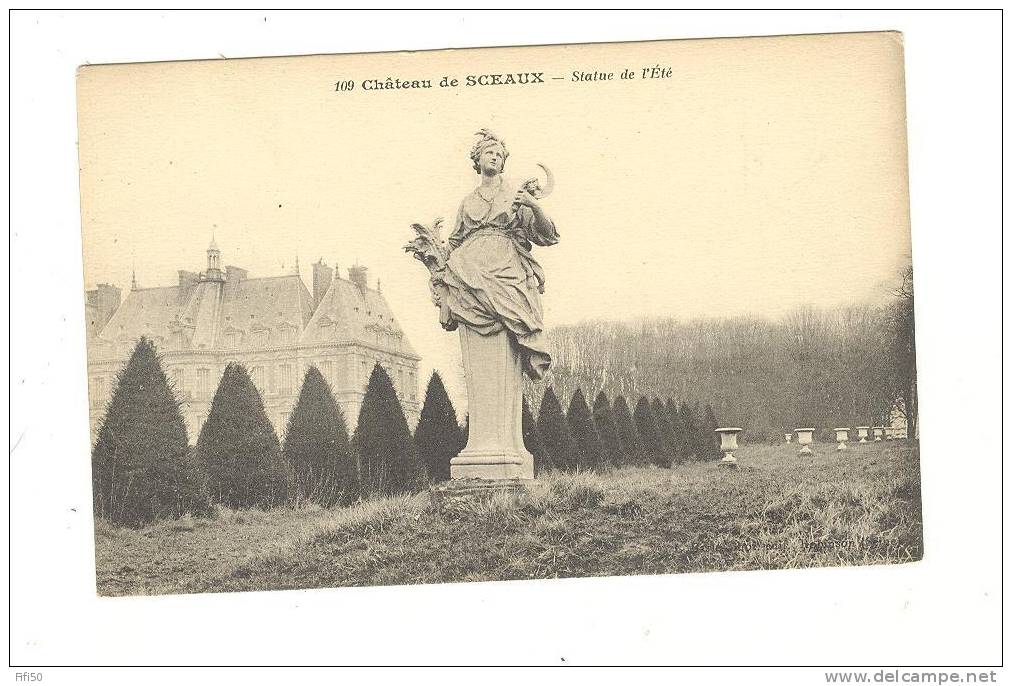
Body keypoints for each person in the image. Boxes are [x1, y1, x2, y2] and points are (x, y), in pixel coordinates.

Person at [440, 129, 560, 380]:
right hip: (468, 276)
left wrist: (534, 205)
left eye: (499, 155)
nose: (494, 157)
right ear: (478, 159)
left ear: (504, 163)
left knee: (514, 331)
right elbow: (454, 242)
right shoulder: (467, 201)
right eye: (489, 153)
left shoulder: (515, 196)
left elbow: (547, 235)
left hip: (506, 273)